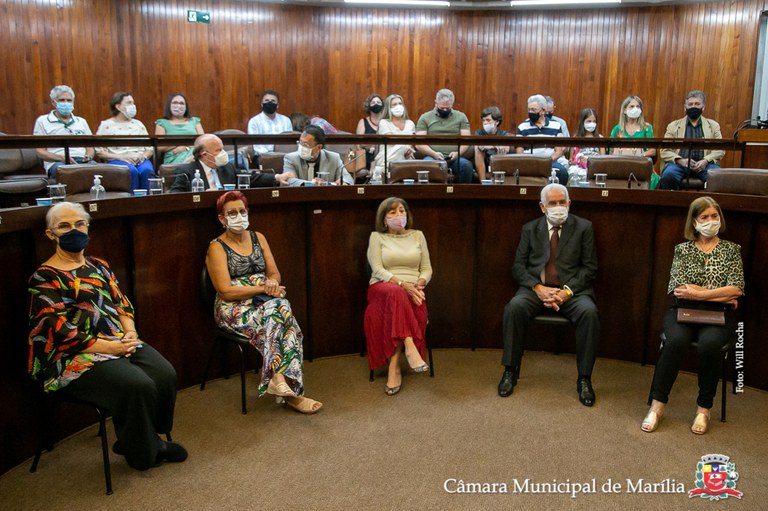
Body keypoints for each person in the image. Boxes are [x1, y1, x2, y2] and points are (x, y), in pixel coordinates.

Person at [28, 202, 187, 471]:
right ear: (50, 234)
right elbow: (58, 330)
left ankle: (140, 439)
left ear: (88, 226)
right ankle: (144, 454)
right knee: (137, 385)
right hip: (73, 355)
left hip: (117, 340)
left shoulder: (99, 266)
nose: (74, 230)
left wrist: (130, 334)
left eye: (79, 223)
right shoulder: (44, 277)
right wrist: (110, 348)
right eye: (64, 226)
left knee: (164, 374)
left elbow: (122, 305)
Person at [205, 191, 322, 413]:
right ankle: (292, 392)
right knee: (283, 315)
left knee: (279, 311)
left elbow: (275, 274)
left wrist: (273, 284)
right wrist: (263, 287)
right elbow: (225, 291)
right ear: (222, 218)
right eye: (232, 213)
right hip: (234, 309)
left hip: (264, 303)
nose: (238, 216)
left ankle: (280, 382)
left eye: (242, 211)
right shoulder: (216, 247)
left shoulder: (258, 237)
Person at [641, 197, 744, 435]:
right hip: (682, 309)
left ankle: (703, 409)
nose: (710, 221)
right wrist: (722, 295)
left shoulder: (731, 250)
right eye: (704, 217)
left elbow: (737, 289)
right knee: (675, 341)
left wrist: (698, 294)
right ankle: (657, 406)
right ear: (694, 222)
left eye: (714, 216)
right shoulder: (683, 249)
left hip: (718, 315)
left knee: (710, 345)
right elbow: (679, 289)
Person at [498, 183, 599, 406]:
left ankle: (584, 378)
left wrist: (566, 292)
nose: (558, 207)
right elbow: (518, 267)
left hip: (572, 292)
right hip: (537, 289)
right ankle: (510, 371)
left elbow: (590, 268)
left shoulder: (584, 227)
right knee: (514, 308)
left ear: (569, 203)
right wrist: (538, 287)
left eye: (562, 202)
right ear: (542, 207)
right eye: (552, 203)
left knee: (589, 313)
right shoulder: (530, 229)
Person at [365, 197, 432, 395]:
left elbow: (427, 268)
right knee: (396, 292)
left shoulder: (418, 236)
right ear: (384, 219)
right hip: (382, 288)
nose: (399, 215)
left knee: (402, 300)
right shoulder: (376, 237)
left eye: (402, 211)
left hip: (413, 290)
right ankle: (409, 347)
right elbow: (377, 269)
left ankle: (394, 366)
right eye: (392, 212)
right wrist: (403, 284)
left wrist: (420, 283)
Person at [659, 90, 725, 190]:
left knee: (717, 178)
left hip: (706, 165)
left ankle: (708, 201)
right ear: (685, 107)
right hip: (679, 165)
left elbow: (720, 150)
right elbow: (664, 150)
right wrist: (680, 160)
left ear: (703, 107)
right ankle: (672, 200)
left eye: (697, 104)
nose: (693, 107)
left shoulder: (713, 126)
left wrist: (705, 160)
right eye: (690, 104)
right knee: (669, 175)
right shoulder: (673, 126)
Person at [170, 134, 276, 192]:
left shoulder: (228, 167)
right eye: (218, 150)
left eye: (222, 149)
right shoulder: (186, 171)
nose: (223, 153)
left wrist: (276, 177)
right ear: (204, 154)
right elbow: (176, 196)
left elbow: (250, 178)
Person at [95, 92, 155, 192]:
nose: (133, 106)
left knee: (147, 170)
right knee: (131, 171)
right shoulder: (106, 125)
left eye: (133, 103)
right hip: (118, 159)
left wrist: (143, 156)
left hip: (140, 159)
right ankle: (132, 200)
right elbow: (99, 152)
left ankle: (148, 200)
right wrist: (121, 157)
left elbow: (150, 148)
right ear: (118, 106)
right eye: (129, 103)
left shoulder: (138, 124)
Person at [32, 85, 95, 179]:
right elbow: (40, 151)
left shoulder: (81, 121)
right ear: (53, 102)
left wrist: (88, 156)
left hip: (82, 160)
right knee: (68, 173)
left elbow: (90, 148)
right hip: (57, 162)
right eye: (62, 100)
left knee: (99, 171)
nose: (66, 103)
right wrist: (62, 158)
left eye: (69, 100)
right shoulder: (42, 121)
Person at [415, 89, 473, 183]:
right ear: (436, 103)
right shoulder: (425, 117)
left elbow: (466, 140)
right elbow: (419, 143)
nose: (445, 110)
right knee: (427, 165)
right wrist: (433, 153)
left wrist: (458, 153)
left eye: (447, 108)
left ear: (452, 105)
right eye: (442, 108)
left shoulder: (461, 117)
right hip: (433, 157)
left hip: (455, 158)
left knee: (466, 166)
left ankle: (462, 192)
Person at [516, 94, 569, 185]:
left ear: (543, 111)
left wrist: (547, 161)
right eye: (529, 109)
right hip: (530, 162)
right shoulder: (522, 127)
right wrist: (528, 161)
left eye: (533, 110)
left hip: (550, 162)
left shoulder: (556, 125)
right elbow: (519, 150)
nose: (530, 112)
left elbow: (559, 151)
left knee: (562, 172)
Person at [276, 125, 352, 186]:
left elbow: (348, 178)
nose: (301, 147)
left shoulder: (333, 158)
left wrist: (343, 182)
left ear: (319, 147)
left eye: (305, 145)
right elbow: (289, 180)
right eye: (300, 143)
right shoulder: (290, 158)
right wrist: (311, 184)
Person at [371, 94, 416, 180]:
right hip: (387, 157)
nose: (398, 106)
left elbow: (412, 142)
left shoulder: (410, 123)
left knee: (405, 151)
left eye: (400, 103)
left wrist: (408, 148)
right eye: (394, 104)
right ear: (389, 108)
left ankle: (379, 174)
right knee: (402, 147)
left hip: (407, 157)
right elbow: (391, 139)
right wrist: (406, 147)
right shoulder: (384, 122)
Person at [154, 92, 205, 165]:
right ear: (169, 105)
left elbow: (202, 142)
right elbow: (160, 147)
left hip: (194, 153)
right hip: (174, 155)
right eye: (175, 103)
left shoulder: (194, 121)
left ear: (186, 106)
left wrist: (185, 147)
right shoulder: (162, 123)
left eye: (182, 103)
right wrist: (182, 144)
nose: (179, 106)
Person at [609, 95, 656, 160]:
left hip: (640, 161)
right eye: (632, 106)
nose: (635, 109)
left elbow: (653, 151)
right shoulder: (617, 129)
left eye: (638, 106)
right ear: (624, 110)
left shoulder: (647, 128)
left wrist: (641, 155)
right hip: (621, 162)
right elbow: (610, 151)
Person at [246, 89, 293, 156]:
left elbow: (289, 142)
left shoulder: (286, 120)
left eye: (273, 101)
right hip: (262, 156)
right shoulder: (254, 121)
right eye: (266, 100)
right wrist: (269, 155)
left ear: (277, 105)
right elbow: (255, 145)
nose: (270, 103)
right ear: (262, 104)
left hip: (283, 155)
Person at [473, 106, 510, 181]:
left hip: (497, 159)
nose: (485, 123)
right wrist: (496, 146)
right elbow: (478, 147)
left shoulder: (503, 134)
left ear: (497, 122)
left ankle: (497, 181)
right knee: (478, 151)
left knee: (502, 151)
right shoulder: (478, 132)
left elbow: (507, 148)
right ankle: (483, 183)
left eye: (488, 120)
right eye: (483, 120)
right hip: (484, 160)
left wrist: (491, 146)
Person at [568, 108, 605, 182]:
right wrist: (579, 161)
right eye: (589, 121)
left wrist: (588, 161)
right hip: (579, 168)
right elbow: (571, 160)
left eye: (594, 121)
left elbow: (603, 159)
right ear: (582, 122)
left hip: (594, 166)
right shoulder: (576, 138)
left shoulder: (600, 138)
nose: (592, 124)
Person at [356, 93, 385, 170]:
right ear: (369, 106)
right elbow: (359, 142)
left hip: (383, 154)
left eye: (378, 102)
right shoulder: (363, 122)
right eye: (373, 103)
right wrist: (371, 146)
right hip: (367, 155)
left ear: (382, 105)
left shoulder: (386, 122)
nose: (376, 104)